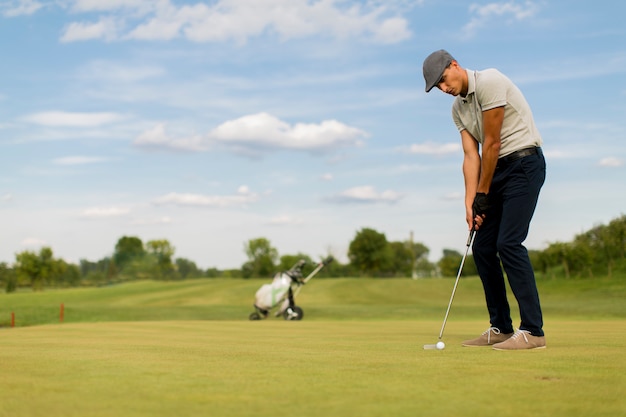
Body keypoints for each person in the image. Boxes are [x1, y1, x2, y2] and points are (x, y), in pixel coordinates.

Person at [422, 50, 546, 350]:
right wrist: (470, 202)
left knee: (509, 243)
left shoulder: (490, 80)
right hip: (496, 172)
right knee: (483, 247)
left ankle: (533, 331)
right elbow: (470, 156)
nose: (443, 88)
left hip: (523, 165)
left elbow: (492, 143)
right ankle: (501, 327)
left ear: (455, 65)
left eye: (442, 80)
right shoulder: (457, 109)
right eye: (437, 86)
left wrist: (483, 194)